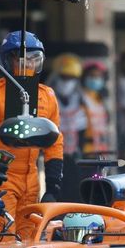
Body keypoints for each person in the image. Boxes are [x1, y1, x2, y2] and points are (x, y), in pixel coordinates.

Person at [0, 31, 64, 239]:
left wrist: (53, 186)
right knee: (3, 240)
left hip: (32, 180)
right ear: (8, 61)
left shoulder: (47, 96)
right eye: (24, 60)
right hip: (1, 180)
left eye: (36, 59)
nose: (30, 65)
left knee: (30, 241)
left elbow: (55, 143)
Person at [47, 53, 87, 201]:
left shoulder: (79, 99)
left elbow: (82, 128)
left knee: (73, 192)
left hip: (72, 155)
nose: (67, 82)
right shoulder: (47, 97)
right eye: (64, 77)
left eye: (71, 78)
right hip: (51, 156)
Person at [80, 61, 111, 157]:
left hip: (101, 150)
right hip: (86, 151)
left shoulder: (100, 99)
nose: (95, 79)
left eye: (98, 77)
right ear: (84, 77)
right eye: (92, 76)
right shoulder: (80, 97)